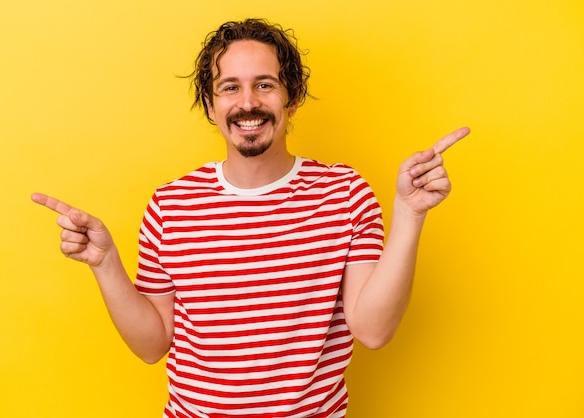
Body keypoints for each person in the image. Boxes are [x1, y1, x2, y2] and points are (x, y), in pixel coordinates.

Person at [32, 18, 470, 418]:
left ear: (291, 99)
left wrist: (410, 214)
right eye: (230, 87)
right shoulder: (171, 204)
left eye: (265, 85)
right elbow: (152, 346)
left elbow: (373, 330)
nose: (248, 103)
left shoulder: (345, 194)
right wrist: (106, 264)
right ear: (209, 105)